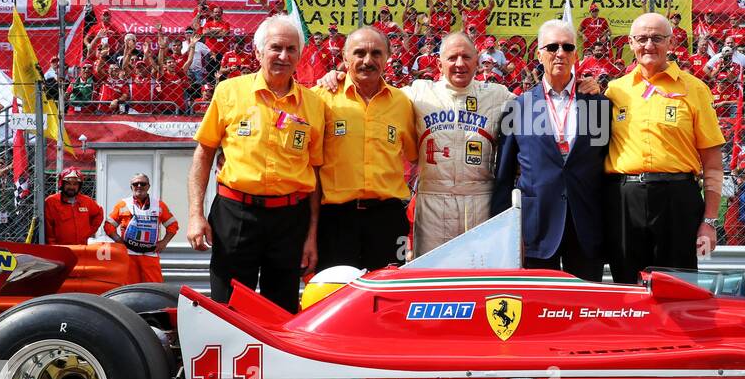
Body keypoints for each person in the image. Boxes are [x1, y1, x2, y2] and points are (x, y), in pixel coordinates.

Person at [188, 16, 325, 312]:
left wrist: (311, 235)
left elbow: (314, 172)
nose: (283, 56)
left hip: (290, 219)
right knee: (228, 308)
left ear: (300, 55)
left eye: (291, 49)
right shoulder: (228, 92)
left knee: (283, 309)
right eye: (276, 48)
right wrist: (195, 214)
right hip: (235, 215)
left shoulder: (314, 105)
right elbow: (203, 153)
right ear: (258, 52)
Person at [603, 13, 725, 284]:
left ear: (671, 42)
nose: (649, 45)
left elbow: (713, 163)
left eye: (657, 38)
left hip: (678, 199)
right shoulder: (614, 91)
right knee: (627, 286)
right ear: (631, 43)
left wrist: (710, 221)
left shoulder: (695, 89)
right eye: (642, 39)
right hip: (625, 199)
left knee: (678, 289)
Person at [492, 19, 610, 280]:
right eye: (552, 47)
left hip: (586, 226)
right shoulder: (518, 107)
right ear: (539, 53)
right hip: (536, 227)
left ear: (576, 54)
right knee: (540, 309)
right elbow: (504, 175)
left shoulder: (599, 105)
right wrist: (504, 230)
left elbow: (607, 168)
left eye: (567, 47)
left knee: (585, 308)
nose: (560, 53)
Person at [312, 27, 418, 271]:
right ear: (344, 57)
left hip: (387, 219)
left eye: (376, 53)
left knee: (387, 297)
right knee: (334, 295)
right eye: (359, 53)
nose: (367, 60)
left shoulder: (402, 103)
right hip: (335, 218)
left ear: (388, 57)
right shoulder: (321, 97)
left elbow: (414, 156)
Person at [404, 32, 516, 255]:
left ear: (477, 61)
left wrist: (576, 87)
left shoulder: (497, 95)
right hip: (432, 203)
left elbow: (540, 105)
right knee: (432, 277)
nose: (459, 64)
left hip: (480, 202)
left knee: (479, 278)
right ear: (439, 63)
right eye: (452, 57)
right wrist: (337, 79)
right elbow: (380, 94)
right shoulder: (418, 92)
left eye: (466, 57)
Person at [104, 173, 179, 283]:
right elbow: (108, 225)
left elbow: (173, 225)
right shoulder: (123, 204)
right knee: (130, 288)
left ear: (148, 186)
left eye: (143, 184)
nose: (139, 186)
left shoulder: (158, 205)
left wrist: (164, 242)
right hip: (129, 254)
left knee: (155, 288)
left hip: (150, 254)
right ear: (131, 187)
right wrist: (119, 241)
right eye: (136, 184)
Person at [44, 168, 104, 246]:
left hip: (81, 248)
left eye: (75, 184)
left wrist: (89, 231)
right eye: (68, 183)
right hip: (60, 248)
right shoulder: (51, 201)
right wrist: (53, 246)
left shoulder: (87, 201)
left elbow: (99, 213)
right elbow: (48, 228)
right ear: (62, 184)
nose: (71, 187)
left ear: (79, 186)